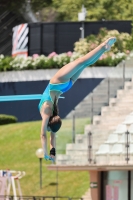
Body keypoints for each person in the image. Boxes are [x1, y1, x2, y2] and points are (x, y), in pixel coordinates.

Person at [38, 37, 116, 161]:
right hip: (57, 83)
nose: (47, 130)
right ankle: (103, 45)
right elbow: (44, 135)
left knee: (84, 64)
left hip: (65, 87)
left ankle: (104, 49)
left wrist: (50, 153)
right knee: (81, 62)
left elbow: (50, 136)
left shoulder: (50, 115)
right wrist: (48, 152)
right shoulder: (47, 113)